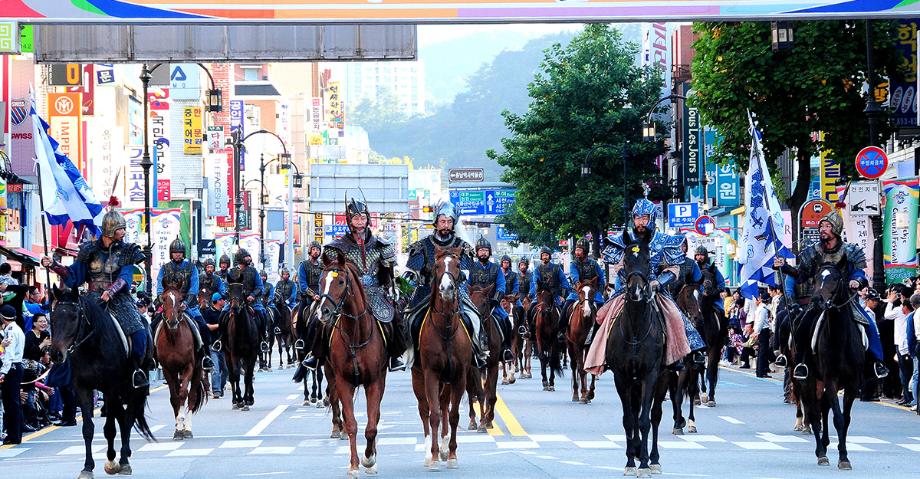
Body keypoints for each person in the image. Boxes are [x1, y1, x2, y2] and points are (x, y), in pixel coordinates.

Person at [586, 198, 706, 374]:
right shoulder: (624, 239)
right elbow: (618, 265)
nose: (640, 222)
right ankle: (597, 350)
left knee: (675, 315)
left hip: (655, 288)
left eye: (644, 217)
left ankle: (684, 353)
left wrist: (658, 282)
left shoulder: (664, 240)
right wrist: (628, 278)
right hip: (629, 287)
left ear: (652, 218)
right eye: (637, 218)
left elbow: (674, 268)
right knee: (603, 313)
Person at [41, 209, 151, 388]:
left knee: (139, 332)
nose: (123, 232)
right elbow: (74, 277)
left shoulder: (128, 250)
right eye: (120, 229)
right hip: (91, 300)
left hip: (120, 300)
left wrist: (111, 291)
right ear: (110, 230)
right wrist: (54, 265)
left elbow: (126, 277)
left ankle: (135, 371)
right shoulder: (88, 250)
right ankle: (64, 376)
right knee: (70, 330)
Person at [774, 210, 888, 381]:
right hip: (819, 300)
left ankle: (876, 362)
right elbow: (802, 274)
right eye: (821, 226)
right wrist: (785, 267)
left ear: (835, 229)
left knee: (869, 324)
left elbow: (859, 273)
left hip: (845, 301)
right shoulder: (813, 251)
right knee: (801, 323)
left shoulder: (850, 251)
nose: (823, 229)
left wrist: (856, 281)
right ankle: (802, 362)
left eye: (827, 226)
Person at [305, 197, 407, 372]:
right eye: (356, 219)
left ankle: (394, 356)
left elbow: (391, 275)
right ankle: (317, 355)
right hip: (345, 294)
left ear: (368, 219)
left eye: (362, 218)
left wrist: (398, 287)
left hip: (375, 293)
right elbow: (329, 273)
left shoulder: (381, 245)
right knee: (319, 319)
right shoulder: (336, 247)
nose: (360, 223)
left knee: (394, 317)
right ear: (349, 221)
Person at [406, 201, 487, 368]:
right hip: (427, 292)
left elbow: (466, 272)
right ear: (436, 222)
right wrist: (409, 282)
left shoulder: (462, 246)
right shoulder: (422, 245)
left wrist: (455, 280)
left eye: (449, 222)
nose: (446, 225)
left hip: (456, 292)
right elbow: (412, 273)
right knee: (409, 320)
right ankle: (409, 353)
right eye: (443, 221)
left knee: (474, 318)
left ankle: (478, 351)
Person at [154, 238, 214, 372]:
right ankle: (152, 357)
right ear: (171, 253)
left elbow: (194, 288)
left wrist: (185, 303)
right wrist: (162, 300)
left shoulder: (191, 268)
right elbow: (159, 287)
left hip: (188, 306)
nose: (177, 254)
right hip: (169, 307)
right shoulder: (164, 268)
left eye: (180, 252)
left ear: (183, 253)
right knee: (153, 326)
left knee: (203, 327)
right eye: (175, 252)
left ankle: (205, 357)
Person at [467, 237, 513, 362]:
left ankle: (506, 349)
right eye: (481, 250)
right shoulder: (471, 268)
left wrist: (495, 300)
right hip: (474, 305)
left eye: (486, 250)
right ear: (477, 252)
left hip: (492, 304)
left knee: (506, 320)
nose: (483, 253)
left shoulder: (496, 268)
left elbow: (501, 285)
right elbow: (466, 285)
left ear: (489, 252)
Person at [223, 249, 269, 352]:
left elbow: (260, 287)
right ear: (240, 259)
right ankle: (221, 339)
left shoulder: (254, 271)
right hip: (235, 301)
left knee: (262, 313)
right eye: (246, 257)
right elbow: (225, 287)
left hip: (252, 302)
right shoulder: (232, 272)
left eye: (249, 256)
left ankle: (263, 339)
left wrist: (252, 295)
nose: (249, 258)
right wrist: (230, 296)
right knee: (223, 314)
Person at [563, 238, 605, 346]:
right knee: (565, 307)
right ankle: (561, 331)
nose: (577, 252)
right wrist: (578, 285)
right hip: (577, 292)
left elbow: (601, 278)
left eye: (579, 250)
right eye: (576, 250)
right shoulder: (573, 264)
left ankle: (604, 333)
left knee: (603, 308)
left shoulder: (594, 264)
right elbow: (574, 276)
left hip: (592, 293)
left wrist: (599, 292)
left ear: (585, 250)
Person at [528, 246, 572, 337]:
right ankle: (531, 331)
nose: (545, 257)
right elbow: (535, 281)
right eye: (543, 255)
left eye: (546, 255)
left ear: (549, 256)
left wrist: (562, 296)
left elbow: (564, 282)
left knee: (565, 310)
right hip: (542, 296)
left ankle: (563, 331)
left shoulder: (557, 268)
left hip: (555, 295)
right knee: (529, 310)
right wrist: (537, 292)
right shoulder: (537, 269)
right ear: (541, 257)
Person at [0, 304, 25, 444]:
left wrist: (3, 371)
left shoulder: (10, 331)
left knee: (11, 403)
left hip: (12, 367)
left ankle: (13, 435)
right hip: (17, 366)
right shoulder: (17, 328)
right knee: (13, 402)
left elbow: (8, 354)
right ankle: (15, 434)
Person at [885, 285, 912, 405]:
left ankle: (907, 396)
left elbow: (887, 315)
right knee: (905, 371)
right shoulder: (909, 308)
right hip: (904, 342)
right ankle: (906, 395)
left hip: (901, 343)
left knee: (905, 372)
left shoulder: (900, 309)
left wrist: (890, 302)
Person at [202, 293, 227, 399]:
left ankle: (220, 388)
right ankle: (216, 390)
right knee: (215, 369)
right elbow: (207, 327)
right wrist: (220, 325)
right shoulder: (208, 312)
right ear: (217, 301)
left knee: (225, 369)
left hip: (224, 345)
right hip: (213, 345)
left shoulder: (224, 312)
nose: (224, 301)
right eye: (222, 299)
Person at [753, 291, 774, 378]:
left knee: (762, 352)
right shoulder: (763, 310)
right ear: (768, 300)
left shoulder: (760, 308)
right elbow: (760, 322)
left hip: (761, 330)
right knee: (762, 352)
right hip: (763, 331)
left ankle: (761, 371)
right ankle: (761, 372)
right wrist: (756, 332)